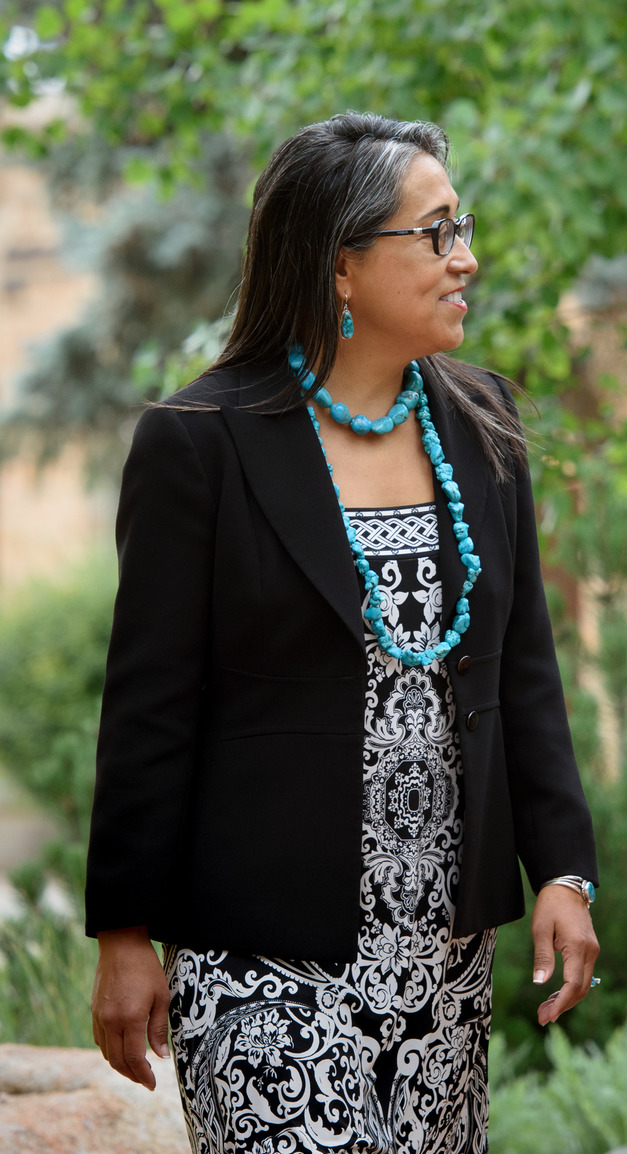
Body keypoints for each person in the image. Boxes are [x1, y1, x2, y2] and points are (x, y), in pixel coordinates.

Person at [85, 112, 599, 1154]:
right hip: (262, 958)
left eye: (464, 225)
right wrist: (124, 932)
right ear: (341, 266)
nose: (469, 256)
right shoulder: (200, 444)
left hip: (441, 961)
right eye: (438, 231)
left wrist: (564, 867)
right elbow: (150, 705)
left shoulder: (483, 425)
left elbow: (526, 669)